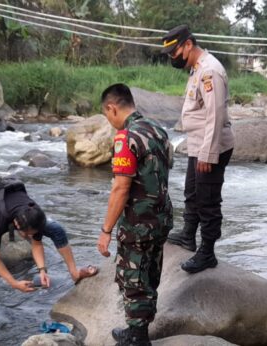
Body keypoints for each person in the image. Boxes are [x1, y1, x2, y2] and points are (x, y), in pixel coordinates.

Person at [0, 176, 98, 316]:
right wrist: (13, 283)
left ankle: (74, 273)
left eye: (31, 233)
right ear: (16, 225)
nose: (29, 236)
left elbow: (37, 243)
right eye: (27, 234)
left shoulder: (34, 214)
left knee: (56, 229)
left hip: (20, 212)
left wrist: (42, 270)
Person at [97, 84, 173, 346]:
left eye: (107, 116)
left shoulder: (126, 137)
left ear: (112, 108)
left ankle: (137, 339)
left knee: (133, 278)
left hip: (139, 222)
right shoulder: (158, 130)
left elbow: (121, 187)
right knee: (150, 271)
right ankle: (137, 329)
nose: (110, 121)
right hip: (161, 217)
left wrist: (106, 230)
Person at [161, 25, 235, 274]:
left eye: (174, 52)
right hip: (198, 143)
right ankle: (188, 235)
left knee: (208, 199)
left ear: (188, 45)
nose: (173, 58)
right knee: (192, 192)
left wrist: (208, 154)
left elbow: (215, 115)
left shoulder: (209, 71)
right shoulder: (196, 69)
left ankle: (208, 252)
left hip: (210, 145)